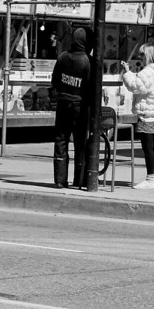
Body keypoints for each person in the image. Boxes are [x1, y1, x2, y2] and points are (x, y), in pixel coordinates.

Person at [120, 42, 154, 189]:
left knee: (147, 147)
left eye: (142, 54)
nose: (140, 57)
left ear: (148, 55)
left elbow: (135, 86)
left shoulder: (148, 71)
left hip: (146, 113)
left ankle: (150, 179)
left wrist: (127, 72)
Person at [51, 27, 91, 188]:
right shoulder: (88, 61)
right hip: (80, 106)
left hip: (63, 103)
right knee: (81, 142)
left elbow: (55, 81)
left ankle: (60, 180)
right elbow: (90, 87)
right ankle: (80, 179)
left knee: (61, 140)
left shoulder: (62, 58)